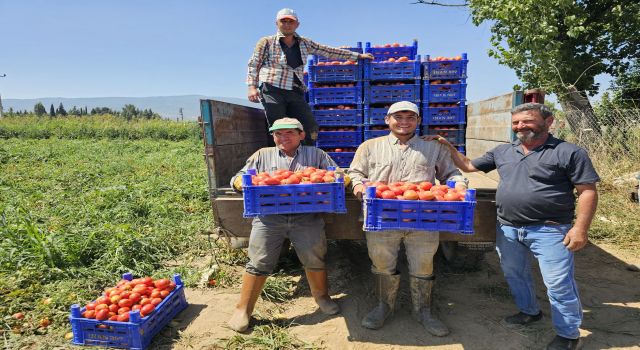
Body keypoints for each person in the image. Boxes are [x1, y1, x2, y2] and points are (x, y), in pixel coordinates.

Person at [435, 102, 599, 350]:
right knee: (515, 274)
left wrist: (580, 228)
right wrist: (448, 147)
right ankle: (529, 312)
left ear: (548, 121)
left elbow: (587, 191)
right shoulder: (503, 151)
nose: (520, 126)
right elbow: (468, 166)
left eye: (527, 121)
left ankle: (568, 335)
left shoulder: (569, 152)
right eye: (516, 123)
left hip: (550, 228)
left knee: (558, 283)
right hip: (508, 228)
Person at [347, 101, 467, 336]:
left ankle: (423, 311)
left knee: (423, 264)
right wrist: (359, 187)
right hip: (382, 217)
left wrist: (459, 186)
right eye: (398, 117)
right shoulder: (369, 146)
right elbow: (355, 173)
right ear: (387, 120)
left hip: (423, 218)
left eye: (410, 117)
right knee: (381, 262)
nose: (404, 122)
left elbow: (452, 173)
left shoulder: (433, 147)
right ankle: (384, 306)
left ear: (418, 121)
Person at [227, 117, 343, 332]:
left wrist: (336, 180)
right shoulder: (262, 154)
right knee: (258, 260)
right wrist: (241, 182)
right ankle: (243, 309)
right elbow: (240, 176)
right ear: (273, 136)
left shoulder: (316, 155)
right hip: (268, 217)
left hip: (307, 216)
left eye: (289, 133)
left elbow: (336, 174)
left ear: (301, 135)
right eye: (278, 134)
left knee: (314, 256)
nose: (283, 137)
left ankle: (322, 297)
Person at [247, 8, 374, 145]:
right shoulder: (266, 42)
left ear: (297, 24)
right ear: (276, 23)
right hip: (272, 89)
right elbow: (254, 64)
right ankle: (280, 161)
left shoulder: (305, 43)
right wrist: (252, 87)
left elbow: (328, 51)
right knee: (279, 126)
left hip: (295, 90)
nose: (287, 24)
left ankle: (306, 159)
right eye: (283, 21)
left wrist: (357, 56)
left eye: (291, 21)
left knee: (309, 126)